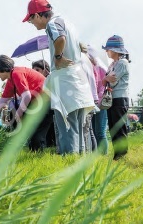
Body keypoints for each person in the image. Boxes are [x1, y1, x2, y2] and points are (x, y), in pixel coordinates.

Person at [23, 0, 95, 154]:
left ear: (37, 15)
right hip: (77, 79)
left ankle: (69, 161)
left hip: (65, 80)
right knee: (78, 126)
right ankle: (80, 160)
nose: (32, 24)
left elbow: (60, 39)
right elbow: (80, 45)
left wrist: (58, 56)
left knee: (66, 127)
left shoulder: (52, 24)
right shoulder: (67, 22)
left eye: (31, 20)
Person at [0, 54, 53, 151]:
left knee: (37, 135)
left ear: (1, 68)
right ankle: (38, 155)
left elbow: (26, 96)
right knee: (33, 136)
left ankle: (41, 156)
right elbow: (2, 101)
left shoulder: (17, 73)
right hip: (37, 103)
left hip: (45, 102)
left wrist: (19, 113)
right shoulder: (11, 80)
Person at [101, 35, 131, 160]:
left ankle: (122, 155)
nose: (106, 51)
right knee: (113, 127)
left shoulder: (122, 63)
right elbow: (106, 80)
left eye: (108, 49)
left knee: (119, 127)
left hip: (119, 98)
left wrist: (106, 79)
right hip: (113, 99)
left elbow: (112, 82)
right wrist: (106, 79)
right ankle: (117, 155)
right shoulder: (113, 64)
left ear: (115, 50)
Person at [88, 46, 109, 154]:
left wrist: (98, 99)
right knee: (95, 130)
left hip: (101, 103)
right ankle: (98, 154)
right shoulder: (90, 68)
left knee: (100, 131)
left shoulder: (101, 68)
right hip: (93, 103)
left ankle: (104, 155)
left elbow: (104, 86)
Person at [31, 59, 57, 150]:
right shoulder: (33, 83)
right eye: (33, 70)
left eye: (37, 70)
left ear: (45, 70)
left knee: (50, 134)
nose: (35, 72)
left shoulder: (50, 80)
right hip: (39, 109)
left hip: (50, 109)